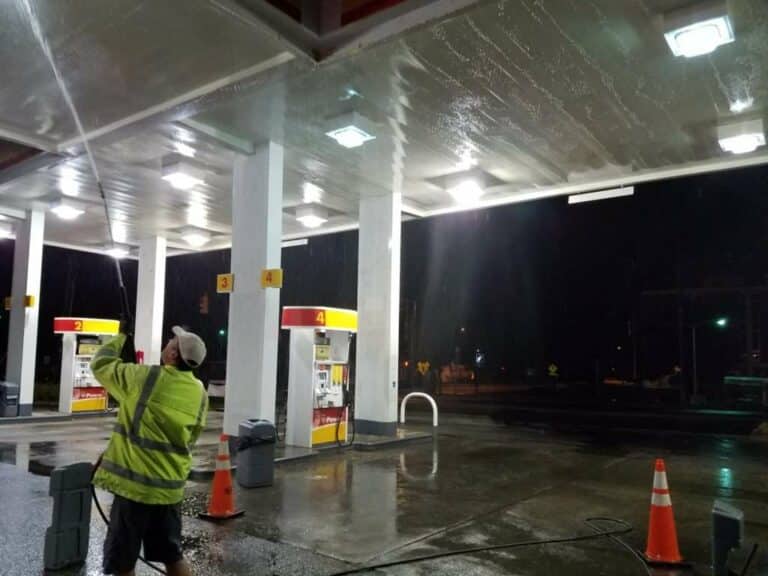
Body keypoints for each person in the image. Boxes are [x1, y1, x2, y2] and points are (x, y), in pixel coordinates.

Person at [91, 326, 209, 576]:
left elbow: (100, 364)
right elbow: (190, 438)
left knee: (122, 563)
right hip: (169, 491)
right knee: (172, 557)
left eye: (171, 341)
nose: (167, 343)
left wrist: (121, 336)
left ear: (173, 355)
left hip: (135, 490)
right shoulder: (199, 393)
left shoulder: (144, 378)